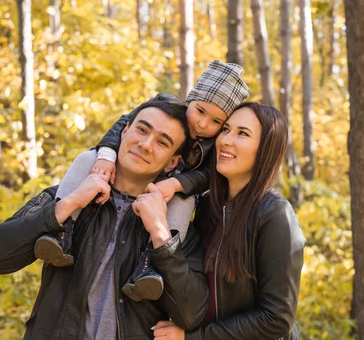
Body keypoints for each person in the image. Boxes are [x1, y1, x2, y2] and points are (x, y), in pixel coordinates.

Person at [0, 99, 210, 340]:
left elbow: (191, 315)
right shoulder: (68, 195)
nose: (146, 144)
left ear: (173, 162)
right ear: (124, 131)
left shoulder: (174, 229)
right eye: (142, 130)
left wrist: (160, 235)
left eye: (162, 143)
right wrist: (67, 205)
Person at [34, 60, 250, 302]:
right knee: (87, 159)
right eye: (200, 111)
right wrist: (106, 154)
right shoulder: (165, 106)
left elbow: (206, 177)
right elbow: (121, 125)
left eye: (215, 122)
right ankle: (61, 232)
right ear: (191, 99)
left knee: (184, 201)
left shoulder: (213, 146)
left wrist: (177, 184)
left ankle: (149, 265)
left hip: (169, 193)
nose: (202, 124)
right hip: (135, 177)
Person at [151, 102, 307, 340]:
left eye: (242, 134)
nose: (226, 140)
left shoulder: (274, 215)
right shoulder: (207, 207)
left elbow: (277, 317)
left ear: (265, 150)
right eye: (225, 129)